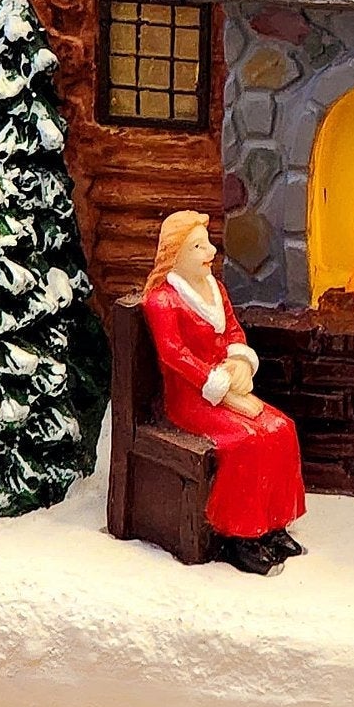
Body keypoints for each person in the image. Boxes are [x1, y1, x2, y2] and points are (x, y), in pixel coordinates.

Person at [142, 210, 307, 575]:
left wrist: (239, 362)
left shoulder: (215, 288)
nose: (210, 251)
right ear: (174, 254)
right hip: (191, 398)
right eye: (198, 246)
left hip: (225, 387)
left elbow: (232, 331)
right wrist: (213, 379)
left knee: (281, 429)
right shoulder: (162, 301)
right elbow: (174, 355)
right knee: (245, 440)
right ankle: (240, 536)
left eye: (208, 243)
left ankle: (272, 525)